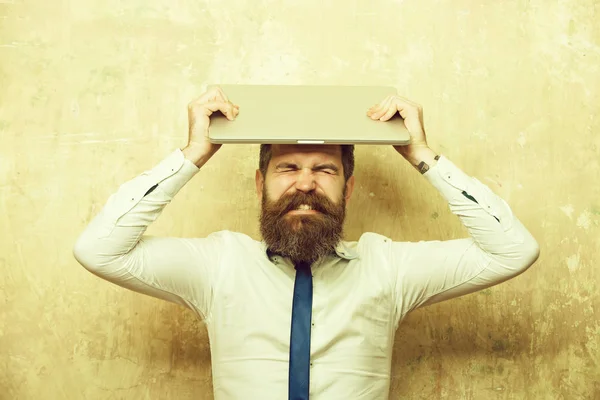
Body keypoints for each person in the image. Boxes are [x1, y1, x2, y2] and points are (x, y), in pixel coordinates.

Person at [73, 86, 540, 400]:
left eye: (325, 170)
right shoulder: (218, 265)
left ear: (348, 189)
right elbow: (100, 249)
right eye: (288, 168)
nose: (306, 184)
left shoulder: (388, 268)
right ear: (261, 184)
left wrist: (421, 155)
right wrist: (194, 153)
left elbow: (512, 250)